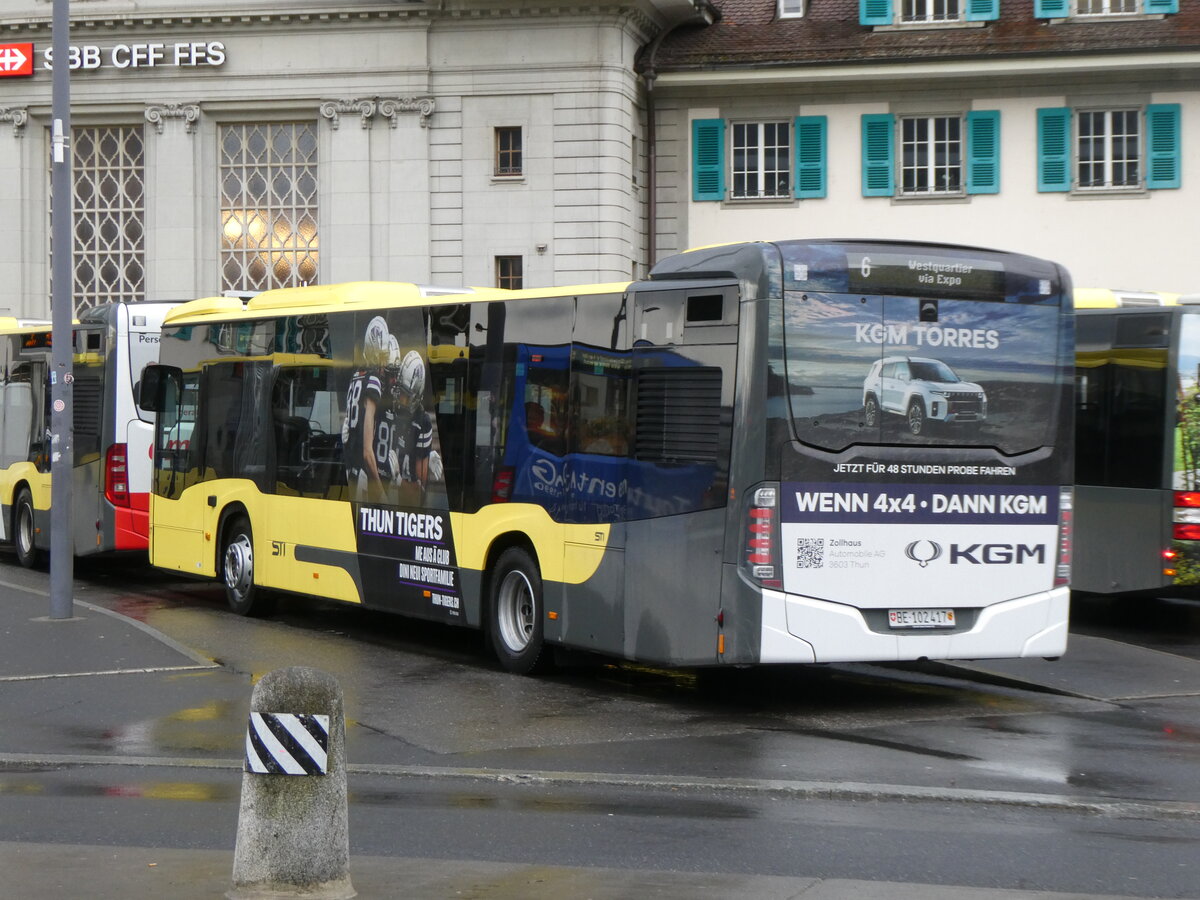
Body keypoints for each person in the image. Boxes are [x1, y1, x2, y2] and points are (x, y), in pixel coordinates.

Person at [342, 315, 389, 501]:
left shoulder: (355, 376)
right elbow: (367, 450)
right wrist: (381, 491)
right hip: (362, 474)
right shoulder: (373, 380)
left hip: (350, 468)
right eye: (383, 356)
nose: (385, 363)